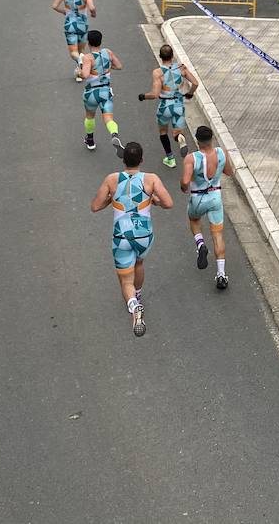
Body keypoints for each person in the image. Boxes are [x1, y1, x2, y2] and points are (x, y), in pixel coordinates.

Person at [90, 142, 173, 337]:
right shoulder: (151, 179)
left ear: (123, 160)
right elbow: (168, 203)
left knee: (125, 280)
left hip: (122, 235)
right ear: (141, 160)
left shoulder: (111, 179)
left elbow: (95, 206)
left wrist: (112, 199)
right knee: (139, 262)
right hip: (144, 234)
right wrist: (154, 201)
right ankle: (138, 295)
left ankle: (134, 306)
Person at [182, 124, 235, 290]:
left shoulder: (192, 158)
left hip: (198, 199)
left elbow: (185, 182)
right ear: (211, 138)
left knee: (194, 219)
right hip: (215, 198)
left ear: (197, 141)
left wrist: (184, 187)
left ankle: (200, 245)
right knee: (218, 234)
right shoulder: (221, 153)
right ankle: (221, 274)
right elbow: (229, 172)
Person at [139, 44, 198, 168]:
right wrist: (189, 94)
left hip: (165, 106)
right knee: (177, 132)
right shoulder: (181, 68)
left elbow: (155, 94)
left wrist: (143, 96)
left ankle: (170, 159)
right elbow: (195, 83)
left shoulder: (158, 72)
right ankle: (180, 138)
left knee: (163, 132)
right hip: (178, 104)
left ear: (160, 57)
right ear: (172, 56)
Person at [79, 30, 124, 154]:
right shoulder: (108, 52)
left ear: (88, 42)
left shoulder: (88, 58)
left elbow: (85, 75)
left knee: (90, 116)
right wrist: (108, 67)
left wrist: (80, 69)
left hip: (92, 93)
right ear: (101, 41)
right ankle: (114, 134)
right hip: (106, 91)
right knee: (109, 118)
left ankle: (90, 140)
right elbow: (119, 66)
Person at [51, 0, 96, 77]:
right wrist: (93, 14)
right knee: (81, 50)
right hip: (82, 25)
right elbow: (92, 7)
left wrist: (63, 12)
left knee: (73, 53)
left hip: (69, 25)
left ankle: (80, 67)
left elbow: (54, 6)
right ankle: (80, 72)